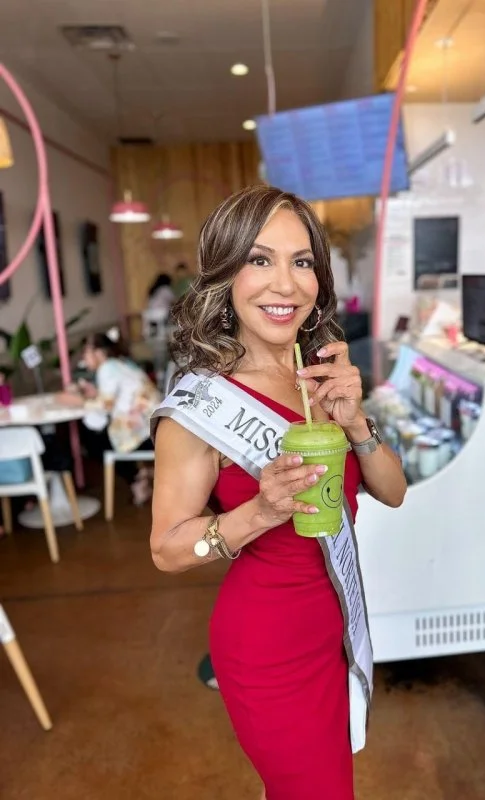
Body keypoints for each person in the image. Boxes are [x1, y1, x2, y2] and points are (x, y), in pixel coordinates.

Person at [150, 185, 407, 800]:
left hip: (332, 629)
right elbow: (167, 549)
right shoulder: (201, 405)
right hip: (267, 647)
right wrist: (261, 511)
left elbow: (394, 492)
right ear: (225, 276)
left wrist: (355, 424)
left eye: (302, 262)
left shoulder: (318, 374)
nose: (285, 284)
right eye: (260, 260)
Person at [57, 333, 161, 505]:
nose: (83, 359)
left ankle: (137, 478)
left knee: (93, 441)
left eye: (85, 353)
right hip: (153, 425)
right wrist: (93, 394)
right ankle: (139, 476)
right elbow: (114, 398)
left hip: (142, 431)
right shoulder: (120, 363)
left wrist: (78, 401)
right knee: (95, 435)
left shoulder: (107, 368)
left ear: (99, 352)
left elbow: (106, 405)